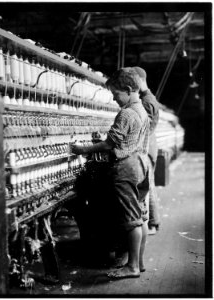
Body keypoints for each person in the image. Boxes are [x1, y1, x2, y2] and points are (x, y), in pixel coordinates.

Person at [71, 67, 150, 279]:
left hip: (126, 168)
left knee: (130, 218)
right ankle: (138, 263)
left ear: (127, 89)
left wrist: (83, 149)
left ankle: (131, 267)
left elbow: (110, 144)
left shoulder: (126, 113)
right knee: (140, 215)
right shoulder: (142, 110)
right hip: (141, 164)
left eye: (116, 95)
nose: (115, 99)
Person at [132, 66, 161, 234]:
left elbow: (145, 128)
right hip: (148, 148)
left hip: (147, 149)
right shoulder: (146, 98)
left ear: (140, 81)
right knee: (149, 186)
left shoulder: (147, 101)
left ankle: (152, 224)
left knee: (147, 187)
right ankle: (152, 222)